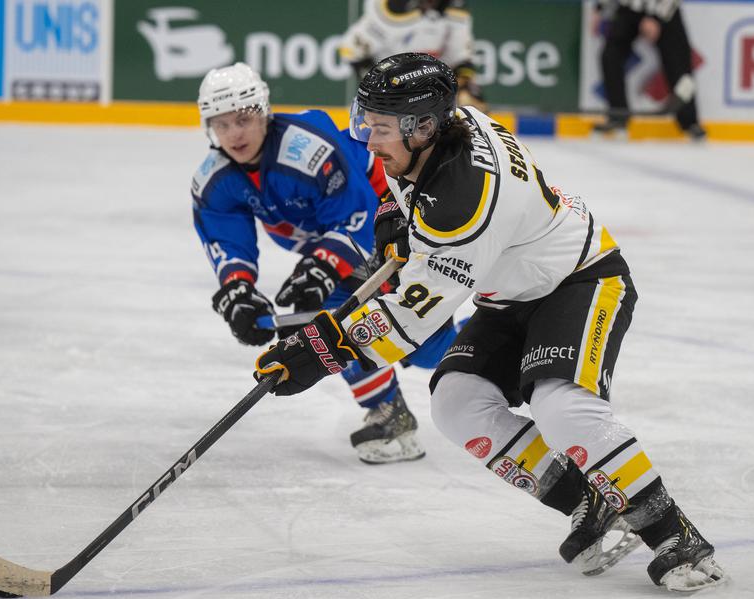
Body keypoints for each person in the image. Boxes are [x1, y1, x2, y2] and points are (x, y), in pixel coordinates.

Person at [253, 53, 728, 591]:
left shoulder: (464, 200)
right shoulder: (440, 133)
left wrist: (322, 349)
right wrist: (392, 216)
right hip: (511, 293)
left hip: (581, 279)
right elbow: (397, 186)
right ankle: (587, 499)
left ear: (422, 127)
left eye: (379, 128)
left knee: (560, 404)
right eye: (367, 121)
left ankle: (675, 534)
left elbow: (414, 316)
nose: (367, 138)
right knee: (455, 406)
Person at [192, 62, 458, 465]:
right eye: (221, 124)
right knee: (330, 327)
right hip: (343, 247)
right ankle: (390, 414)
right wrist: (238, 289)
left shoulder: (306, 148)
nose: (234, 134)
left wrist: (323, 265)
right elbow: (226, 238)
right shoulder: (217, 177)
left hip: (397, 224)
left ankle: (501, 341)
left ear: (262, 110)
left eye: (243, 119)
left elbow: (358, 213)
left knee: (427, 351)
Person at [340, 0, 487, 111]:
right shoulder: (391, 7)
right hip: (392, 85)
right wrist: (381, 89)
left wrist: (464, 86)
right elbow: (351, 50)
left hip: (432, 85)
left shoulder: (455, 6)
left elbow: (459, 57)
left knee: (471, 101)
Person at [592, 0, 705, 139]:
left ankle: (689, 122)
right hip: (631, 7)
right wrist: (599, 8)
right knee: (610, 56)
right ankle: (618, 116)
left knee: (678, 60)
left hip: (664, 10)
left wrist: (656, 17)